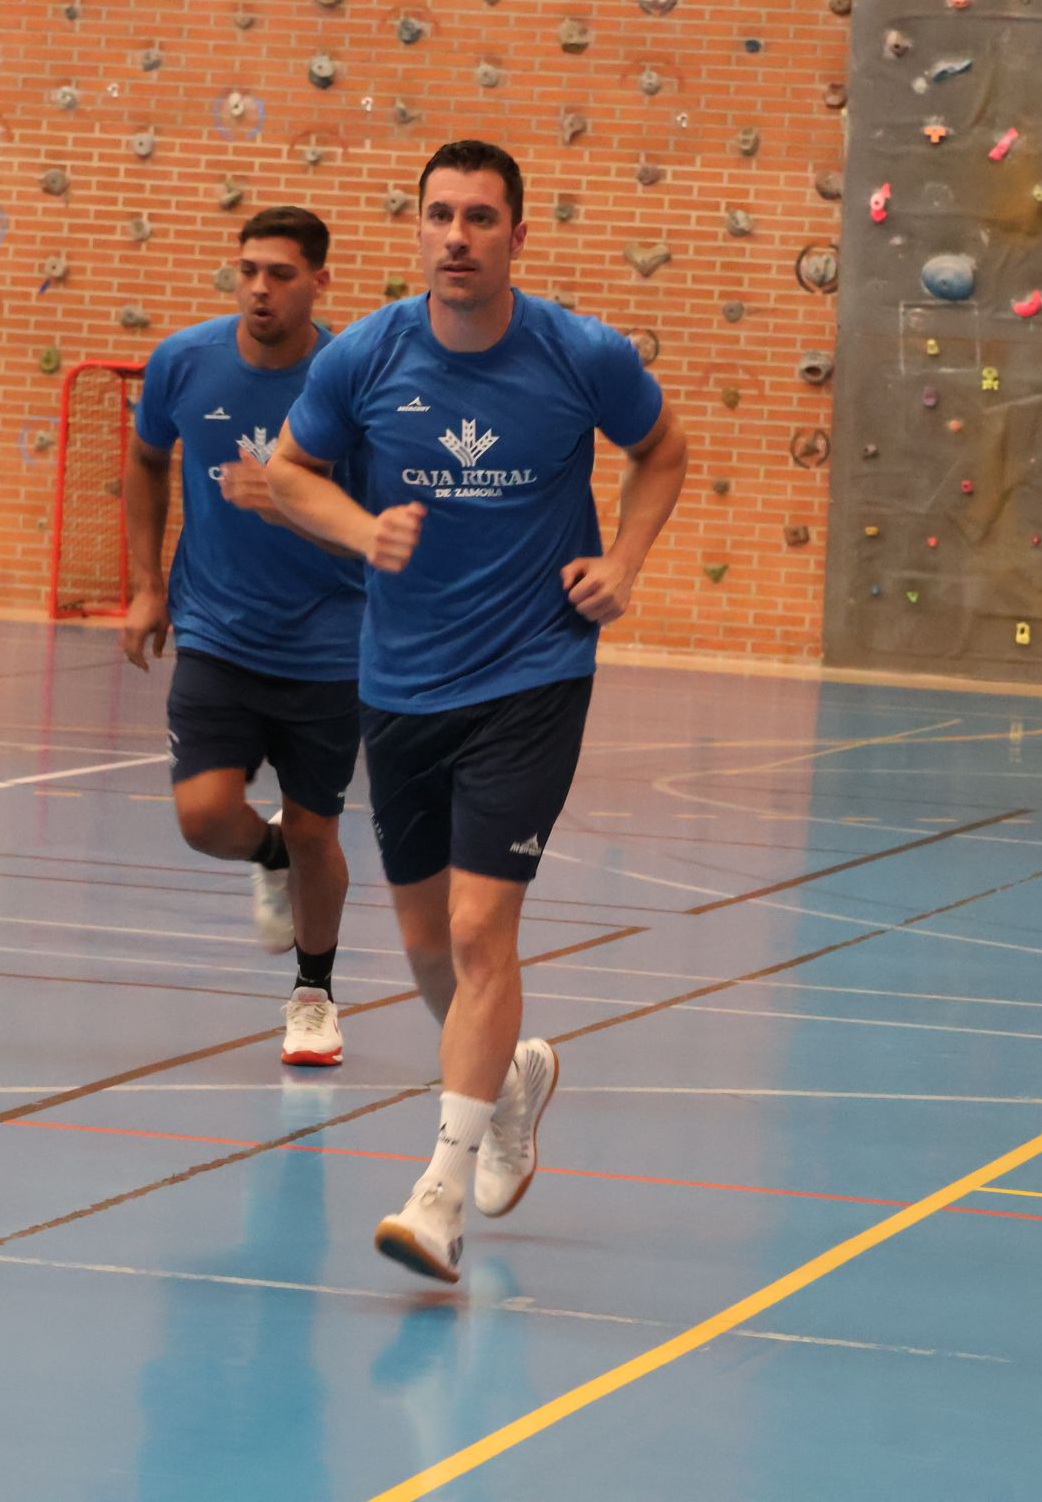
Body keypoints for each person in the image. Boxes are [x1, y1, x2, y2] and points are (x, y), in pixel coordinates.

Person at [266, 140, 689, 1280]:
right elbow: (290, 472)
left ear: (517, 234)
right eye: (440, 215)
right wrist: (364, 532)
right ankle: (511, 1083)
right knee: (421, 947)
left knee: (473, 930)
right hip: (402, 681)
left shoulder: (580, 353)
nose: (458, 235)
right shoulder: (366, 355)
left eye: (481, 217)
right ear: (415, 227)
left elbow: (662, 452)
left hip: (532, 673)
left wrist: (626, 561)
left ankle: (439, 1193)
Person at [121, 207, 365, 1066]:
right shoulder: (183, 362)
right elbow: (148, 461)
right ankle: (270, 858)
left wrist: (293, 502)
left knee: (315, 828)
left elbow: (371, 520)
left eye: (282, 274)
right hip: (218, 631)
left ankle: (314, 994)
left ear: (319, 282)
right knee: (202, 816)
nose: (261, 288)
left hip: (331, 645)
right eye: (249, 270)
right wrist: (150, 587)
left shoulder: (348, 380)